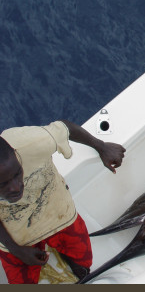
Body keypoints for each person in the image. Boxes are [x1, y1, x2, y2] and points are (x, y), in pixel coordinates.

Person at [0, 119, 126, 284]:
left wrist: (101, 147)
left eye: (17, 174)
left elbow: (66, 128)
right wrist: (16, 250)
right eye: (2, 184)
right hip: (16, 236)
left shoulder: (34, 141)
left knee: (83, 261)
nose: (16, 188)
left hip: (58, 214)